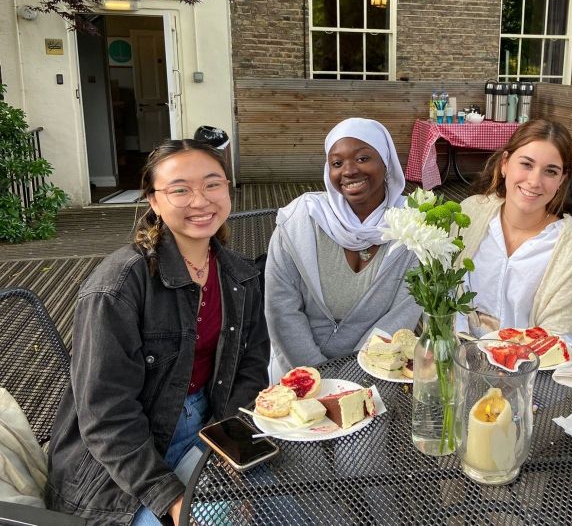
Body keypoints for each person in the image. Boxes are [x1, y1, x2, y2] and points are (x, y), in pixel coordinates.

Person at [45, 140, 270, 525]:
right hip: (116, 463)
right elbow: (105, 414)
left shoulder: (240, 275)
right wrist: (172, 498)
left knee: (287, 503)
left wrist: (232, 441)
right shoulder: (118, 287)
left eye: (212, 184)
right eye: (180, 189)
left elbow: (251, 364)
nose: (200, 201)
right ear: (153, 199)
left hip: (210, 423)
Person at [265, 118, 421, 375]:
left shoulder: (415, 228)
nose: (348, 171)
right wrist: (318, 376)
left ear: (387, 162)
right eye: (337, 163)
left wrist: (353, 378)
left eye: (362, 158)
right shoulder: (298, 222)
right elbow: (281, 309)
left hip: (378, 372)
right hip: (299, 372)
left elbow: (403, 314)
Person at [456, 119, 572, 352]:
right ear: (505, 164)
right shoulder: (470, 214)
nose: (534, 181)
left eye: (550, 171)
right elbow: (445, 292)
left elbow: (568, 336)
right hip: (462, 355)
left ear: (561, 179)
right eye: (526, 164)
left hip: (535, 372)